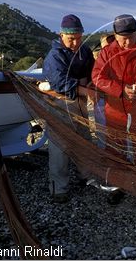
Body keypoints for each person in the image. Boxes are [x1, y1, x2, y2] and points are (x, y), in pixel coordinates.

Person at [91, 14, 136, 202]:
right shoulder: (106, 53)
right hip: (115, 108)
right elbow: (97, 77)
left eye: (131, 38)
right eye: (123, 39)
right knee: (114, 147)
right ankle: (115, 186)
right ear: (115, 35)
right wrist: (121, 90)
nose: (127, 43)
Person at [43, 14, 94, 203]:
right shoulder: (54, 55)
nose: (75, 43)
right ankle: (59, 188)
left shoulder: (85, 51)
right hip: (59, 103)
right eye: (71, 39)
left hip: (80, 103)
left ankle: (87, 176)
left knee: (84, 140)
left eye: (78, 38)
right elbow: (59, 82)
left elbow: (92, 73)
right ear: (61, 35)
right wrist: (85, 89)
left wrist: (92, 85)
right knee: (59, 145)